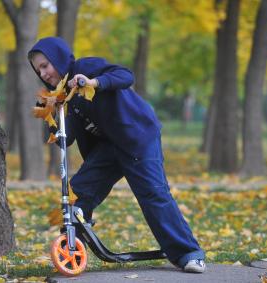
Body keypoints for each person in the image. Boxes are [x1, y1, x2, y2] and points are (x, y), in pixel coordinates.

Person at [28, 37, 206, 273]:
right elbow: (66, 138)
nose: (43, 73)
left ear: (58, 58)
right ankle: (72, 246)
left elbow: (125, 76)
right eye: (38, 69)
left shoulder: (85, 68)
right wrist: (51, 115)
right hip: (109, 147)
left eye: (45, 65)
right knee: (77, 194)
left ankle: (189, 254)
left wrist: (93, 82)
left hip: (137, 136)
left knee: (153, 194)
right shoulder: (60, 96)